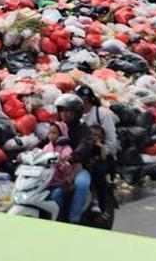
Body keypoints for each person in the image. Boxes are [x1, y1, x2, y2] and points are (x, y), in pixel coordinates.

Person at [74, 85, 118, 219]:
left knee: (96, 171)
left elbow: (111, 140)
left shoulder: (101, 114)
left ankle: (99, 203)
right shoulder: (75, 116)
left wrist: (102, 152)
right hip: (80, 154)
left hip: (100, 155)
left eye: (86, 101)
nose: (84, 104)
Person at [50, 95, 92, 224]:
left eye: (68, 111)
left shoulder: (84, 129)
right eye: (62, 110)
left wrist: (72, 156)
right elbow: (44, 142)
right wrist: (29, 152)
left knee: (82, 184)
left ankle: (74, 219)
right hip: (56, 167)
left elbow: (84, 145)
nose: (65, 114)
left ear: (77, 113)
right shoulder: (58, 127)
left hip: (77, 168)